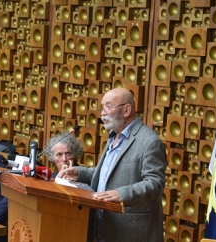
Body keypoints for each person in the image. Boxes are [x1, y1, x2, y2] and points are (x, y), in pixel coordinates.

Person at [57, 88, 167, 242]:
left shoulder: (149, 141)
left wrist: (122, 194)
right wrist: (80, 173)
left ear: (126, 110)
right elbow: (109, 175)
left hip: (131, 233)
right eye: (102, 107)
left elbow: (155, 183)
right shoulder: (113, 136)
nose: (103, 113)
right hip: (102, 226)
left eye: (108, 107)